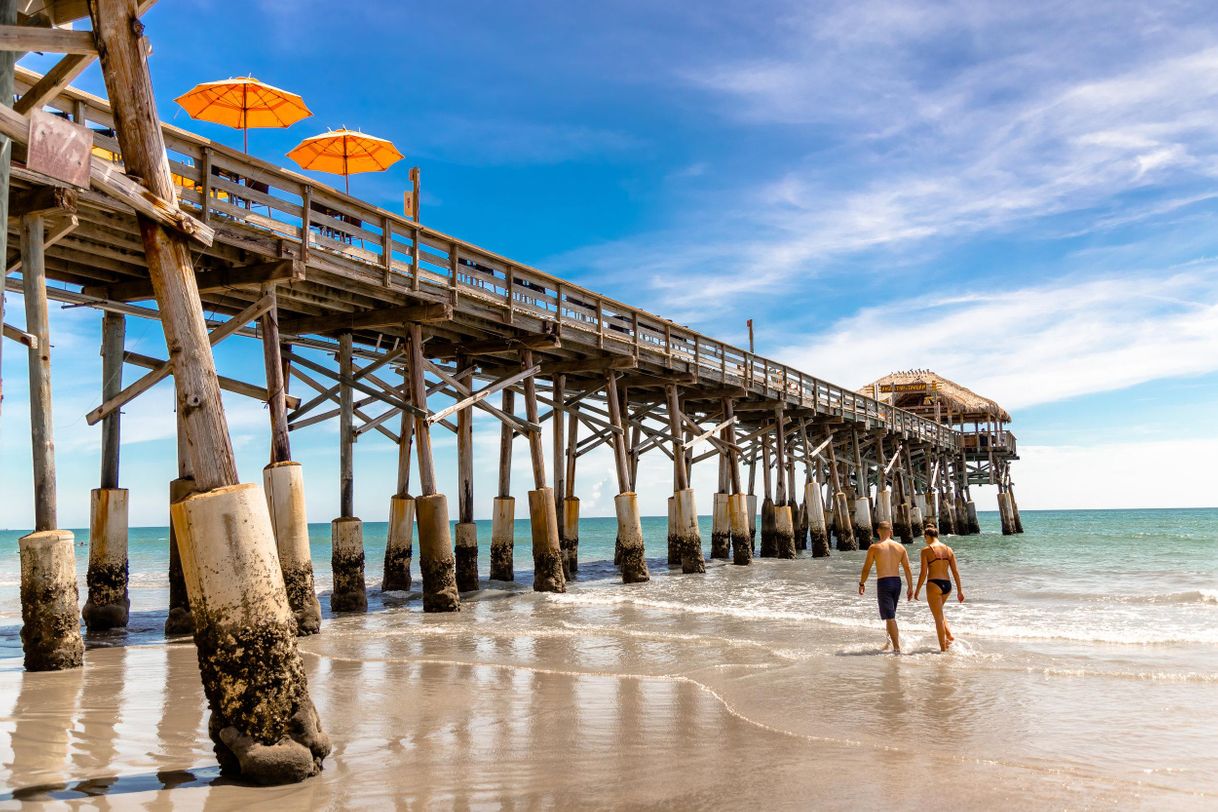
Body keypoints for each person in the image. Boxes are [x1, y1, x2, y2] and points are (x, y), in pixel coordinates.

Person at [857, 521, 913, 653]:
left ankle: (897, 648)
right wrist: (910, 587)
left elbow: (866, 568)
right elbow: (907, 569)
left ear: (878, 531)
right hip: (897, 582)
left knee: (890, 616)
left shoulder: (875, 547)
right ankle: (888, 642)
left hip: (884, 582)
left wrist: (862, 583)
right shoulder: (900, 547)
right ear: (891, 531)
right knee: (890, 613)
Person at [914, 525, 965, 652]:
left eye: (925, 538)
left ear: (927, 536)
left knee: (937, 618)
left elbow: (923, 573)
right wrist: (960, 590)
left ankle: (943, 649)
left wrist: (917, 590)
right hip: (947, 585)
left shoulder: (926, 550)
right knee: (940, 613)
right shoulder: (949, 550)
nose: (925, 540)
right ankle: (949, 636)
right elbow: (956, 572)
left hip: (934, 584)